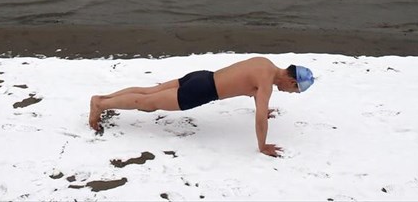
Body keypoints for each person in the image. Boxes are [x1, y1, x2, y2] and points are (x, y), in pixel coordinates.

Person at [88, 56, 314, 157]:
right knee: (146, 104)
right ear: (292, 81)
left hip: (201, 77)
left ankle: (101, 98)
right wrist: (262, 145)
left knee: (149, 92)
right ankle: (100, 104)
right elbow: (259, 117)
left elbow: (253, 90)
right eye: (295, 90)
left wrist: (264, 109)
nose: (291, 93)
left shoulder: (265, 64)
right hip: (200, 92)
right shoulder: (267, 84)